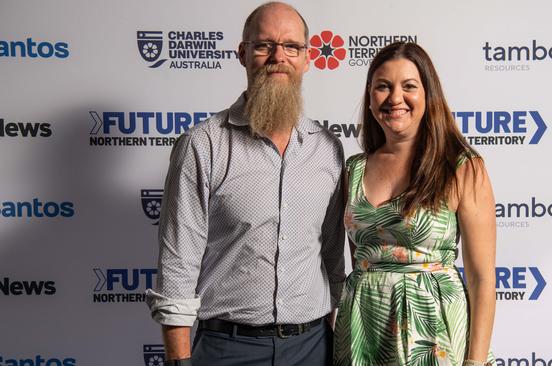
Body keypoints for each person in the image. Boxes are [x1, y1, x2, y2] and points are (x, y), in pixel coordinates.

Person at [145, 2, 346, 366]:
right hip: (227, 348)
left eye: (291, 47)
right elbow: (178, 263)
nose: (277, 57)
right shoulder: (203, 145)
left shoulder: (328, 149)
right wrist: (178, 360)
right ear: (243, 53)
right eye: (264, 45)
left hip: (313, 347)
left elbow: (332, 259)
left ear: (306, 57)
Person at [333, 42, 496, 366]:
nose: (395, 98)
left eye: (409, 86)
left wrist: (475, 362)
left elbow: (482, 278)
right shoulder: (354, 169)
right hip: (362, 328)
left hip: (434, 333)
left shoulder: (461, 166)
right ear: (370, 97)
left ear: (428, 95)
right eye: (383, 86)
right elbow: (359, 261)